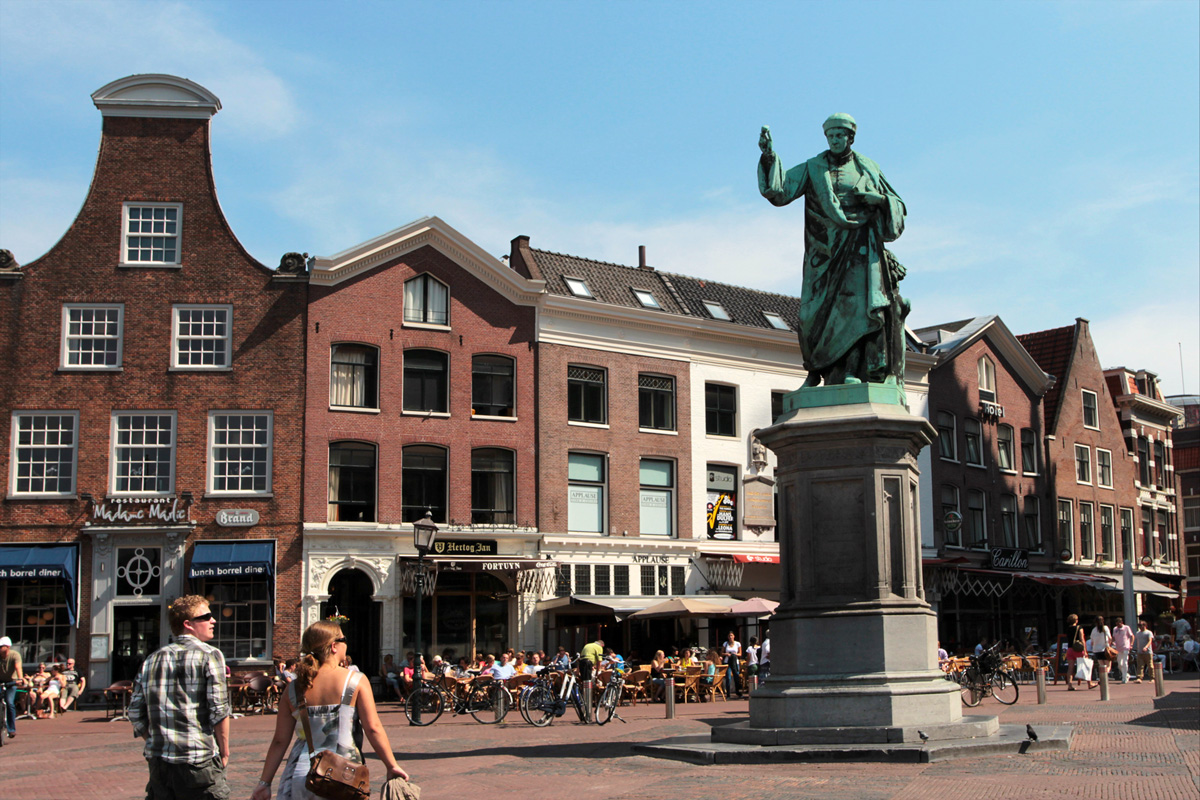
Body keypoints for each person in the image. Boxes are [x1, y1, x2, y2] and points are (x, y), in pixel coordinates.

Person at [758, 114, 909, 387]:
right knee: (810, 315)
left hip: (860, 251)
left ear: (850, 138)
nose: (836, 141)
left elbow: (896, 205)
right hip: (823, 254)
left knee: (855, 312)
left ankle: (850, 371)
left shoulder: (868, 168)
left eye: (840, 136)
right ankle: (814, 371)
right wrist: (769, 157)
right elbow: (780, 191)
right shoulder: (814, 168)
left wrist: (879, 200)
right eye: (831, 136)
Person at [251, 620, 407, 800]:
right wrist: (391, 765)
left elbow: (279, 741)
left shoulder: (294, 689)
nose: (346, 644)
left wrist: (265, 783)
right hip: (344, 775)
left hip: (303, 774)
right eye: (344, 639)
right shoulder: (355, 680)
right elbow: (373, 728)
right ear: (334, 646)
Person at [128, 595, 231, 800]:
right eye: (206, 616)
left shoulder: (152, 659)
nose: (213, 620)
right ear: (188, 624)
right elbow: (219, 709)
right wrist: (225, 751)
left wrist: (154, 740)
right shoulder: (210, 655)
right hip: (197, 759)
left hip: (159, 762)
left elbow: (134, 712)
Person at [1, 635, 26, 739]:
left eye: (1, 647)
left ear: (7, 647)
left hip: (12, 682)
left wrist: (20, 679)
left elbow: (18, 667)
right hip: (0, 681)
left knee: (10, 702)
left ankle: (11, 729)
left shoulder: (14, 655)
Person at [1065, 613, 1093, 690]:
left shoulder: (1068, 629)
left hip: (1070, 649)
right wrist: (1085, 650)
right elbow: (1082, 639)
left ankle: (1069, 685)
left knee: (1070, 668)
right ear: (1076, 620)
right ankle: (1089, 683)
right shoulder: (1079, 628)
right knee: (1085, 665)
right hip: (1078, 649)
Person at [1111, 617, 1134, 684]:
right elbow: (1113, 637)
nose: (1118, 625)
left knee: (1124, 662)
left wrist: (1131, 644)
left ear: (1121, 623)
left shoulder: (1126, 628)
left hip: (1125, 647)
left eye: (1119, 624)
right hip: (1118, 648)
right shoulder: (1115, 629)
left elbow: (1132, 636)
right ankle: (1126, 674)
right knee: (1119, 664)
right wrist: (1112, 642)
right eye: (1117, 624)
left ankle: (1124, 678)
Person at [722, 631, 743, 698]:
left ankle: (737, 691)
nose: (730, 637)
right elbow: (721, 653)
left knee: (736, 676)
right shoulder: (725, 644)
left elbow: (740, 653)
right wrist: (726, 654)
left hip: (734, 661)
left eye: (731, 635)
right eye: (729, 636)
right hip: (727, 661)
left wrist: (735, 654)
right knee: (728, 677)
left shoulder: (737, 644)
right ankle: (728, 693)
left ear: (734, 636)